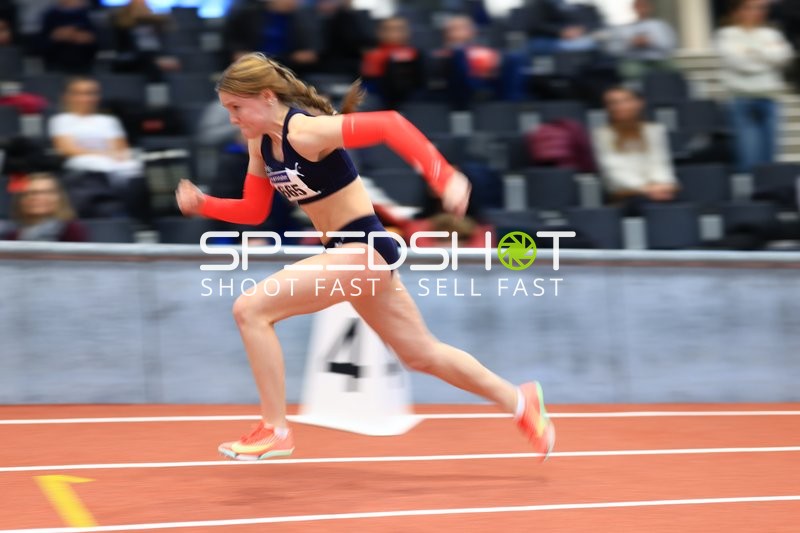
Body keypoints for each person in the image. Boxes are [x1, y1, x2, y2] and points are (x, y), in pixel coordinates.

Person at [175, 52, 555, 461]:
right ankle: (520, 402)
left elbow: (390, 125)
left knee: (251, 310)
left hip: (363, 250)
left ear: (267, 96)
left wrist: (443, 175)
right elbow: (255, 210)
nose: (232, 118)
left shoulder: (307, 131)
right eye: (227, 109)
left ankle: (275, 429)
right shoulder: (259, 144)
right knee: (421, 354)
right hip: (350, 256)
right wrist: (205, 204)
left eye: (236, 107)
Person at [715, 0, 794, 173]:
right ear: (737, 11)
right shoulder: (726, 34)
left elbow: (784, 57)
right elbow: (740, 63)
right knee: (748, 159)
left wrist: (751, 52)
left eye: (760, 8)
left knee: (770, 160)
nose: (756, 12)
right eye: (750, 8)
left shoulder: (772, 33)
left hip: (770, 99)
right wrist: (766, 55)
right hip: (742, 100)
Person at [592, 86, 678, 215]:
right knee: (650, 208)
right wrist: (646, 189)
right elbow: (613, 171)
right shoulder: (601, 135)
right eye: (613, 103)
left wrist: (663, 185)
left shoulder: (654, 130)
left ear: (639, 103)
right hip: (626, 195)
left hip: (658, 191)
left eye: (625, 100)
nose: (620, 106)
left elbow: (660, 163)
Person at [2, 172, 87, 242]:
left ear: (59, 198)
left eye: (46, 192)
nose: (37, 198)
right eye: (29, 193)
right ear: (20, 200)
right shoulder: (11, 234)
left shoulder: (71, 231)